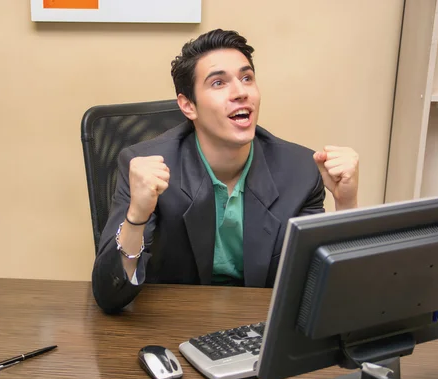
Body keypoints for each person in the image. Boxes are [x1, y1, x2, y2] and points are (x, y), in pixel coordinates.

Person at [91, 29, 359, 313]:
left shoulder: (300, 171)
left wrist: (347, 204)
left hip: (257, 330)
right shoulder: (145, 164)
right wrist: (137, 215)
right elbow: (110, 295)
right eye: (219, 83)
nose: (240, 92)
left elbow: (332, 294)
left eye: (247, 78)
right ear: (188, 105)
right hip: (175, 324)